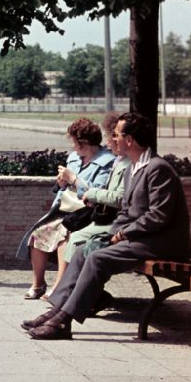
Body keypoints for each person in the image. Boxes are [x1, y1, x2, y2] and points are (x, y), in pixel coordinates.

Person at [25, 111, 191, 340]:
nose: (112, 139)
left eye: (116, 134)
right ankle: (57, 310)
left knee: (97, 258)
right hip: (142, 238)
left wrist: (124, 233)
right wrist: (115, 232)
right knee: (85, 250)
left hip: (163, 242)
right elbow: (126, 209)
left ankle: (63, 321)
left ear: (130, 140)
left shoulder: (157, 168)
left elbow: (158, 216)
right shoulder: (134, 167)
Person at [16, 117, 115, 299]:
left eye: (73, 141)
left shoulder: (107, 162)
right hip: (66, 211)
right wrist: (61, 183)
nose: (72, 146)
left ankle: (60, 286)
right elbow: (62, 190)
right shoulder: (74, 159)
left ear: (82, 142)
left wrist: (74, 180)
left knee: (63, 237)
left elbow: (97, 194)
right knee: (38, 234)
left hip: (87, 215)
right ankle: (38, 284)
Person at [60, 112, 129, 276]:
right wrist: (62, 184)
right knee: (66, 236)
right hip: (89, 213)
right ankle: (67, 288)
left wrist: (88, 191)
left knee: (73, 238)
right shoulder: (119, 161)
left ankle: (67, 289)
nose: (107, 141)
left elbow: (118, 198)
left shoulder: (118, 162)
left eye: (111, 136)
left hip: (109, 219)